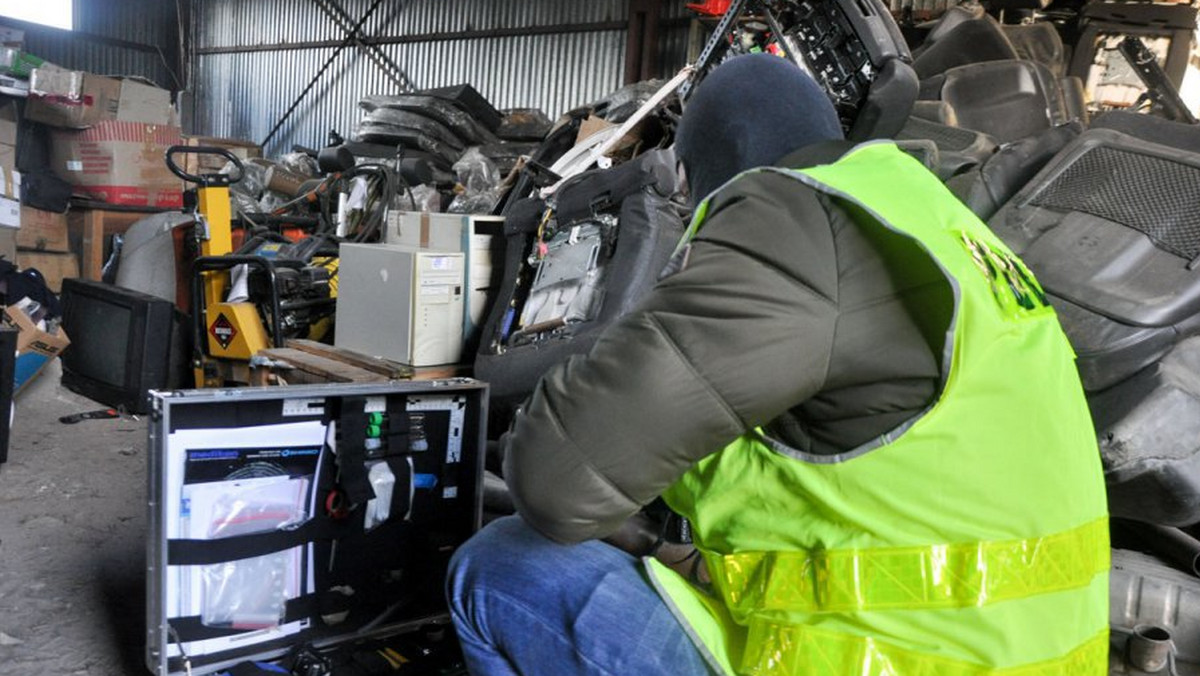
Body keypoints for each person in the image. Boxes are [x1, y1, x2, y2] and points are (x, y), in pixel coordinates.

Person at [447, 54, 1109, 676]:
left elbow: (555, 483)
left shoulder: (789, 215)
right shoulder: (940, 223)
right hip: (1016, 654)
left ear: (721, 165)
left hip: (880, 660)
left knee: (503, 568)